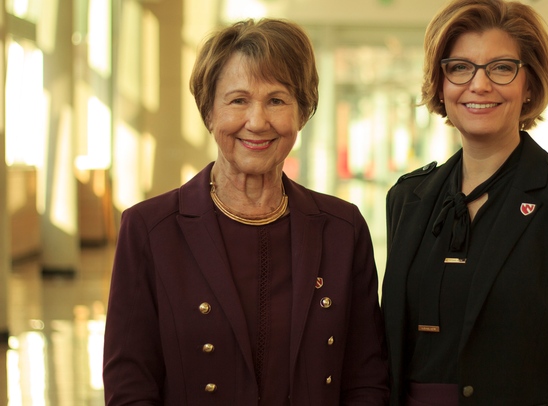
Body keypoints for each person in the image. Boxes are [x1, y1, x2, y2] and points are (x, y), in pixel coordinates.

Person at [103, 18, 388, 405]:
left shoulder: (343, 228)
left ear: (301, 113)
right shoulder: (150, 229)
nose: (257, 122)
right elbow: (130, 383)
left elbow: (366, 376)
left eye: (276, 100)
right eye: (238, 100)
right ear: (208, 113)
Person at [381, 0, 548, 405]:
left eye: (501, 67)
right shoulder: (408, 198)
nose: (479, 85)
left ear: (529, 83)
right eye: (460, 67)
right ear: (441, 83)